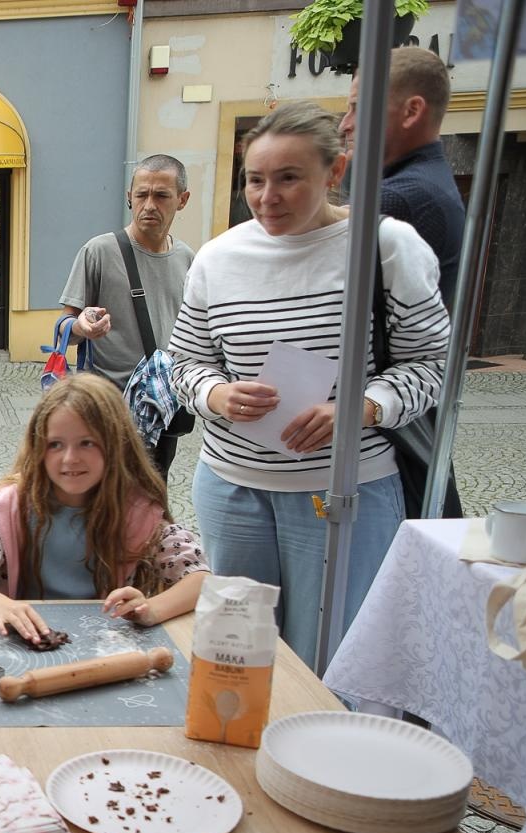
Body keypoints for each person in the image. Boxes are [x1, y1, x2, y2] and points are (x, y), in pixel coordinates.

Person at [169, 101, 448, 668]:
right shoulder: (218, 259)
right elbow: (183, 363)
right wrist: (216, 395)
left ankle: (315, 755)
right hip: (231, 488)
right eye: (255, 179)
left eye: (289, 178)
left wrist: (362, 407)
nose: (268, 196)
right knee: (237, 653)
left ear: (335, 172)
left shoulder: (386, 246)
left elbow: (433, 366)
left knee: (331, 654)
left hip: (346, 488)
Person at [0, 374, 209, 643]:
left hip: (105, 646)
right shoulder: (13, 507)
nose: (70, 458)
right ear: (38, 449)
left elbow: (199, 579)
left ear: (116, 446)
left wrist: (150, 609)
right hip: (27, 643)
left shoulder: (136, 514)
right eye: (55, 444)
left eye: (87, 443)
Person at [59, 154, 195, 478]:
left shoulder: (188, 259)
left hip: (162, 408)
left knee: (150, 505)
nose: (149, 204)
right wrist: (81, 326)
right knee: (102, 508)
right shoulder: (100, 251)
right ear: (129, 197)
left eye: (161, 196)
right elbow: (65, 325)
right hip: (106, 410)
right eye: (141, 195)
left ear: (182, 200)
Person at [340, 46, 463, 308]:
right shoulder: (425, 181)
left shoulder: (400, 197)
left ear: (412, 111)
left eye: (357, 108)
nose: (345, 124)